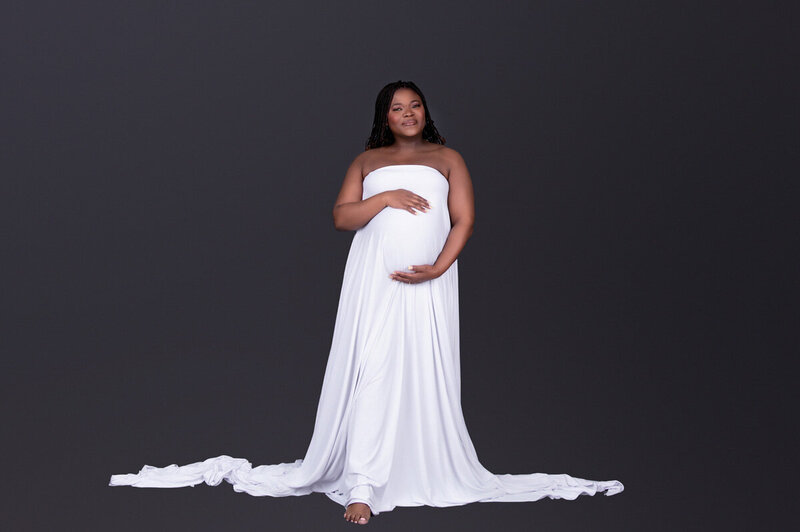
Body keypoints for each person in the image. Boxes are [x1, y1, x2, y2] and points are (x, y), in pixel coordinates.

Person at [109, 80, 623, 526]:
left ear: (426, 112)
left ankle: (406, 468)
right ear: (384, 117)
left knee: (419, 370)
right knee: (373, 369)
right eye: (397, 108)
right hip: (374, 281)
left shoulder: (449, 159)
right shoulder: (367, 161)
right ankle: (363, 485)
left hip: (429, 281)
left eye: (415, 105)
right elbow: (341, 218)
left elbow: (464, 219)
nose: (408, 114)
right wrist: (384, 198)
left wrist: (440, 267)